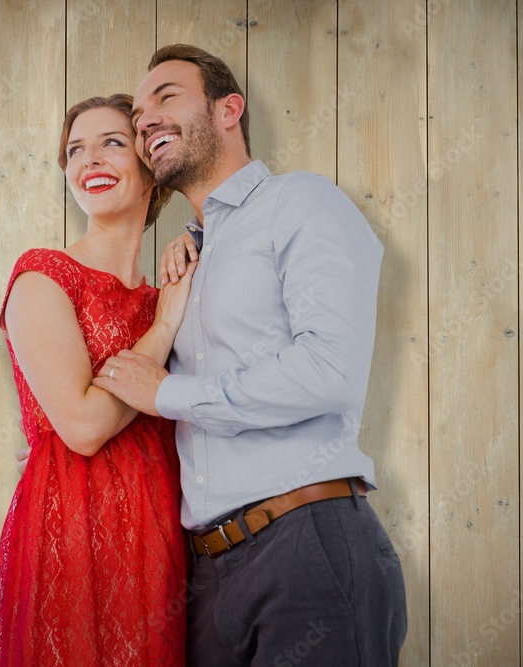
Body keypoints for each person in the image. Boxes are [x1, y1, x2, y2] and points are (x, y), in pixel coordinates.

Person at [89, 44, 408, 665]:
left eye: (167, 97)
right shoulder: (187, 262)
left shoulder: (302, 204)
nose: (144, 117)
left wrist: (164, 392)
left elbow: (329, 373)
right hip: (207, 578)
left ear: (228, 109)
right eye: (138, 112)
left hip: (308, 548)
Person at [0, 94, 194, 666]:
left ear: (152, 166)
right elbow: (83, 425)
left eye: (111, 143)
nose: (88, 161)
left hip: (162, 538)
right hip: (70, 534)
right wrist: (167, 324)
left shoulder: (171, 290)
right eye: (75, 150)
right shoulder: (43, 277)